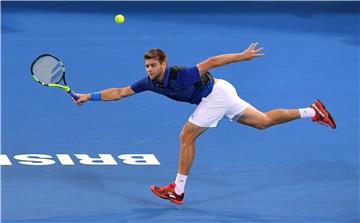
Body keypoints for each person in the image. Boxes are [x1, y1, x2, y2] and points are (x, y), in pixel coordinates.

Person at [75, 42, 336, 205]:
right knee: (263, 122)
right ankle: (312, 111)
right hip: (222, 91)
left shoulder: (182, 74)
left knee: (186, 136)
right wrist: (89, 96)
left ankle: (177, 191)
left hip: (215, 94)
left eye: (153, 65)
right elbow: (120, 92)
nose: (149, 70)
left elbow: (212, 62)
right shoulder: (149, 82)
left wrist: (242, 56)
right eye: (146, 66)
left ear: (163, 63)